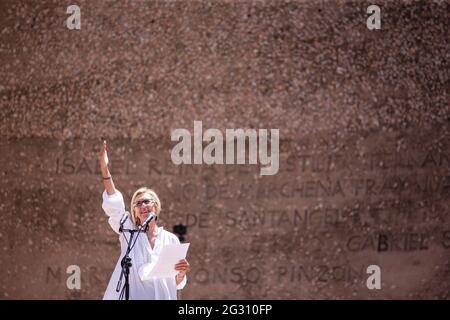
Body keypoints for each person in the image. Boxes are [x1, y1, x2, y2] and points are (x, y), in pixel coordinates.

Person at [98, 140, 190, 300]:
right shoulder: (129, 232)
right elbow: (114, 203)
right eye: (138, 203)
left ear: (156, 206)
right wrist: (105, 170)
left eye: (147, 201)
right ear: (134, 210)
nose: (143, 206)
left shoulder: (171, 239)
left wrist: (181, 273)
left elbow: (173, 282)